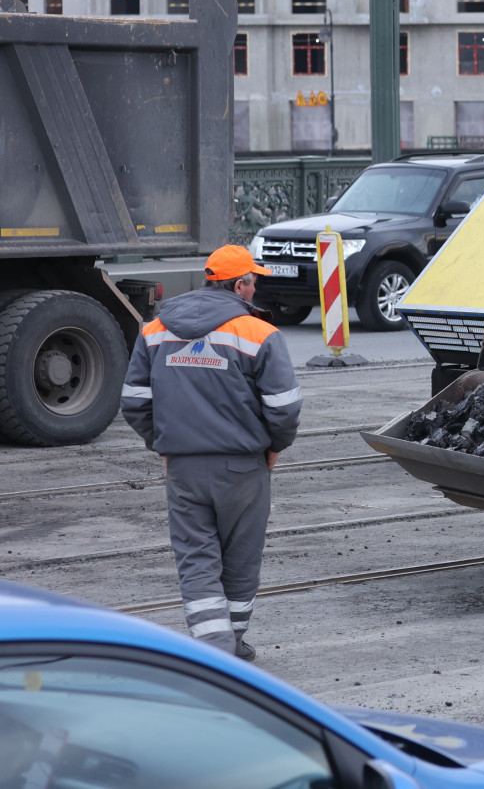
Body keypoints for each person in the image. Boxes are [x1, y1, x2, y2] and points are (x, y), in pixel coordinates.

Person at [120, 244, 303, 662]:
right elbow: (284, 407)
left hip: (183, 469)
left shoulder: (154, 330)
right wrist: (275, 448)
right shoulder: (258, 333)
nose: (254, 290)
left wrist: (162, 443)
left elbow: (133, 401)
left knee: (197, 559)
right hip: (243, 469)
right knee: (240, 558)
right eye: (253, 282)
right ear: (240, 284)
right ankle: (228, 653)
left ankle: (217, 651)